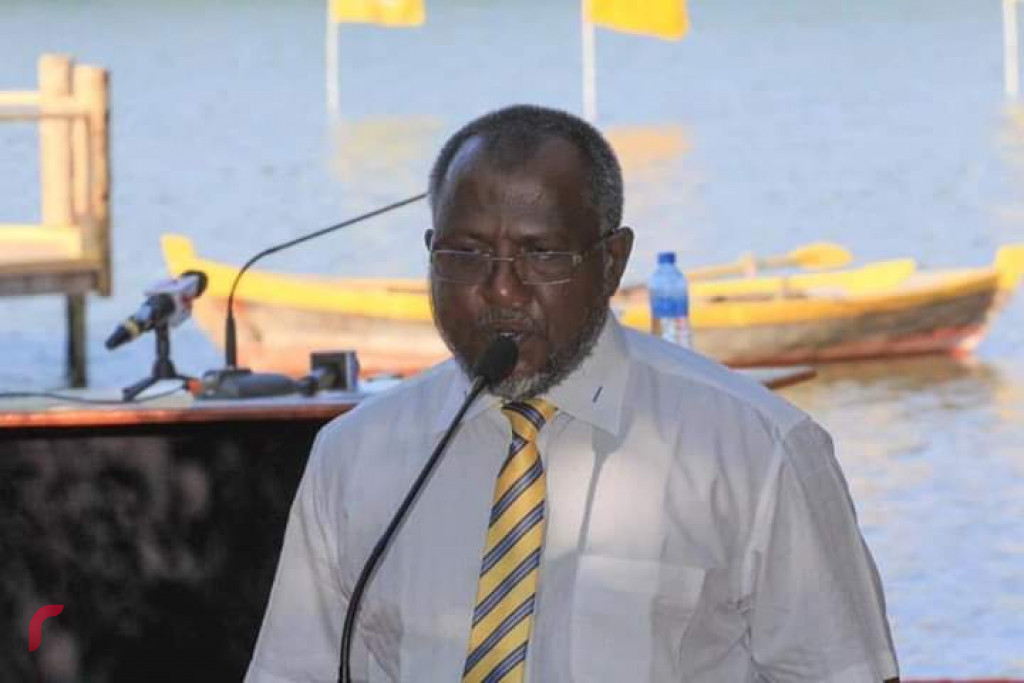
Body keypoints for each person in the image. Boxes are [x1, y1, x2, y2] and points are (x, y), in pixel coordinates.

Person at [245, 104, 900, 682]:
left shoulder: (755, 448)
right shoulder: (353, 455)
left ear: (612, 262)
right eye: (466, 254)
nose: (502, 290)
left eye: (542, 255)